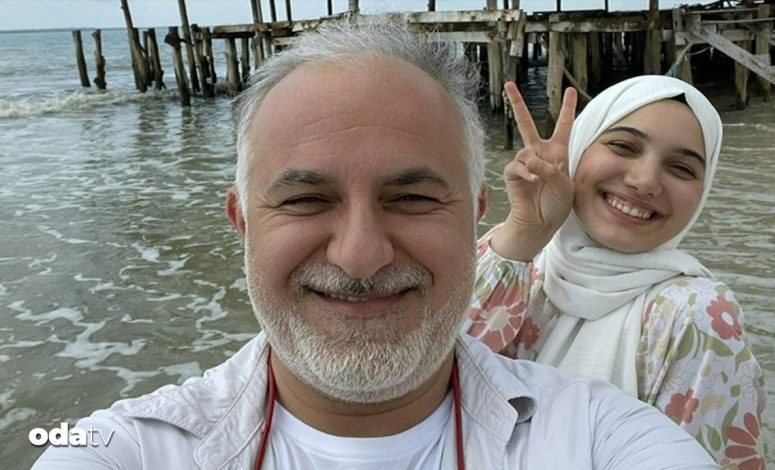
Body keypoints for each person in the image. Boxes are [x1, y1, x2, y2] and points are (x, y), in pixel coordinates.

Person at [33, 20, 717, 469]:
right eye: (305, 199)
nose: (360, 256)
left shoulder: (600, 433)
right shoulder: (126, 447)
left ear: (473, 214)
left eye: (412, 198)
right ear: (241, 220)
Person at [466, 75, 766, 467]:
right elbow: (420, 386)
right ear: (578, 149)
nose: (644, 182)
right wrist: (526, 230)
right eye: (623, 146)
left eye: (681, 168)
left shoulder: (697, 315)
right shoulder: (515, 263)